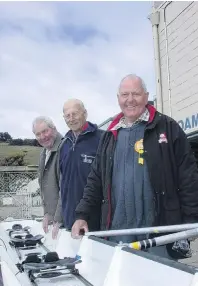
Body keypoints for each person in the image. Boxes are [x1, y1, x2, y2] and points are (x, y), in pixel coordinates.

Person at [71, 74, 198, 259]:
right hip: (118, 233)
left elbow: (188, 176)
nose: (130, 100)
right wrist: (82, 215)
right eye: (125, 95)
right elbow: (95, 179)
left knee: (161, 283)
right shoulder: (109, 136)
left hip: (160, 234)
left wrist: (191, 220)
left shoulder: (168, 127)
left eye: (136, 94)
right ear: (118, 99)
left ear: (146, 96)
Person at [54, 98, 103, 237]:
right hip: (70, 218)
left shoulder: (102, 139)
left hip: (94, 219)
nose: (71, 119)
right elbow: (62, 184)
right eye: (67, 116)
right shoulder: (64, 144)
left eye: (75, 114)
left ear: (85, 114)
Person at [33, 116, 63, 237]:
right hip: (54, 220)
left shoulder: (65, 148)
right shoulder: (44, 153)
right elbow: (45, 187)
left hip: (64, 222)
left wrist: (59, 219)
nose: (43, 137)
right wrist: (47, 214)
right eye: (38, 134)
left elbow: (66, 189)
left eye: (45, 131)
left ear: (54, 129)